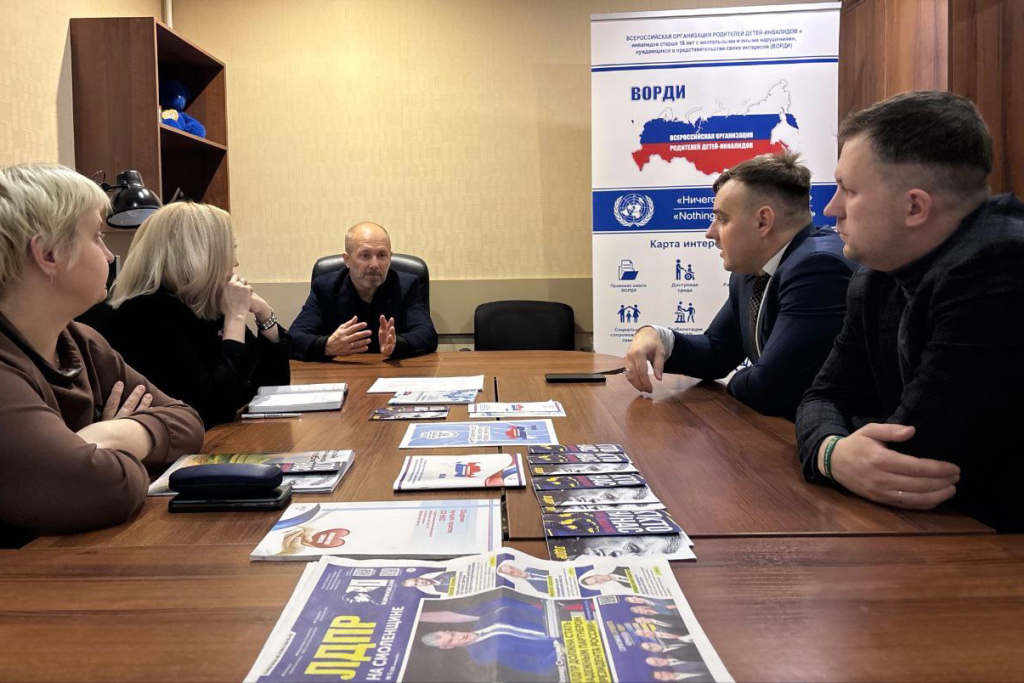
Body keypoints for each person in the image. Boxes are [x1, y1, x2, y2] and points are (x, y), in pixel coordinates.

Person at [796, 90, 1024, 532]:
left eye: (849, 190)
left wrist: (840, 437)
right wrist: (831, 452)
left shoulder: (1001, 266)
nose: (831, 208)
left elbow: (912, 455)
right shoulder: (877, 274)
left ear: (914, 207)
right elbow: (822, 397)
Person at [0, 163, 204, 545]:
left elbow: (187, 423)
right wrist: (110, 454)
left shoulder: (79, 340)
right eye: (97, 236)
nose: (110, 256)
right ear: (47, 253)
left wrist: (107, 434)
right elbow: (103, 489)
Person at [624, 151, 855, 420]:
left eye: (722, 219)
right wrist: (656, 336)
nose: (710, 232)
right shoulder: (751, 269)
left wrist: (743, 379)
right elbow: (717, 352)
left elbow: (769, 389)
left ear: (763, 222)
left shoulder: (818, 269)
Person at [106, 202, 290, 428]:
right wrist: (236, 319)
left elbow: (271, 388)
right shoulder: (145, 313)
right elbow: (213, 408)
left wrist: (264, 315)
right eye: (230, 250)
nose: (235, 262)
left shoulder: (206, 303)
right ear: (199, 255)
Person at [290, 221, 437, 361]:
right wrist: (327, 346)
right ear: (347, 260)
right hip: (339, 372)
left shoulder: (406, 286)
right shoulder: (325, 288)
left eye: (382, 255)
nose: (374, 265)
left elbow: (427, 334)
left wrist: (397, 344)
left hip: (391, 371)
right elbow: (294, 337)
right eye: (365, 255)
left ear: (390, 258)